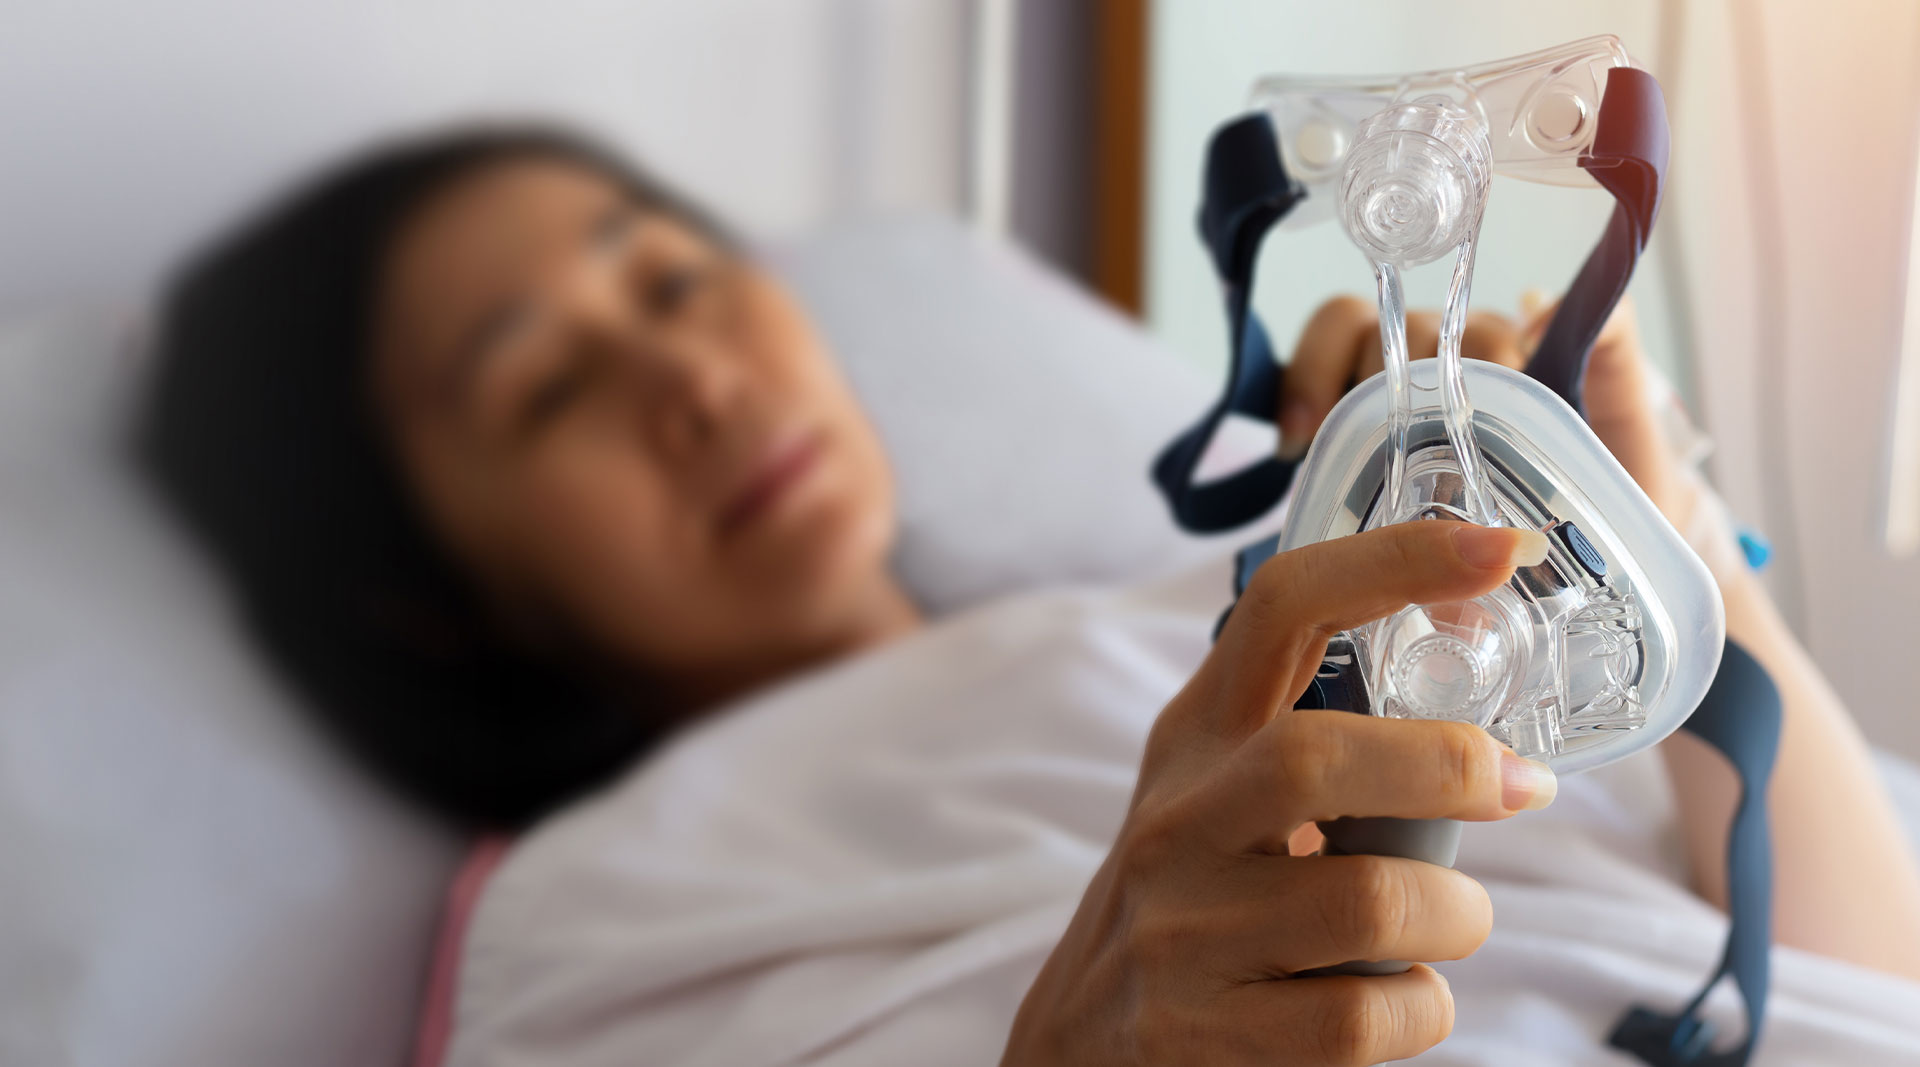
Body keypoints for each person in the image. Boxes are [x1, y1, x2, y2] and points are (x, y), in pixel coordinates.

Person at [137, 127, 1920, 1065]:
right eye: (544, 390)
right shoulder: (583, 929)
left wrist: (1642, 509)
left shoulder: (1235, 593)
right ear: (435, 600)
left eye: (674, 277)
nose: (685, 380)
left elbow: (1866, 981)